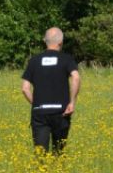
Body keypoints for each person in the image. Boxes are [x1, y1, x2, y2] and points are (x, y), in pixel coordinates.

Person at [21, 27, 81, 157]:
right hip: (61, 112)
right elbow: (76, 77)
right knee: (58, 154)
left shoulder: (34, 61)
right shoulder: (66, 59)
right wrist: (72, 102)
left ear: (45, 41)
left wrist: (36, 103)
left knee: (40, 155)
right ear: (61, 42)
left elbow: (25, 88)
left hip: (40, 112)